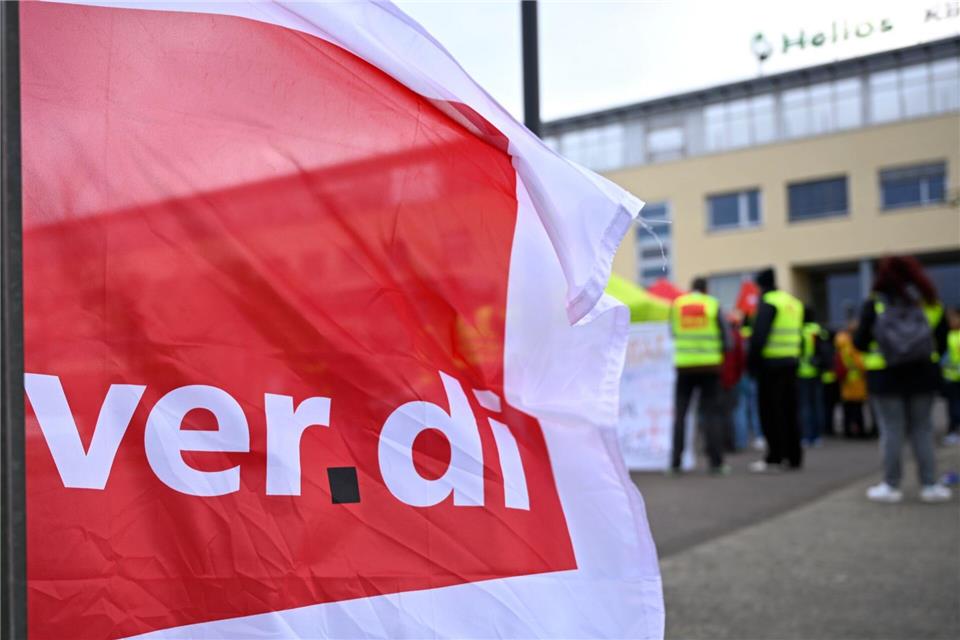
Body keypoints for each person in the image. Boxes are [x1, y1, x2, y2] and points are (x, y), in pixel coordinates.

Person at [853, 255, 951, 503]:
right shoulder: (930, 303)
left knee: (891, 431)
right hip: (922, 375)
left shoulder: (875, 304)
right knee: (922, 429)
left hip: (886, 377)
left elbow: (859, 342)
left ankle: (891, 485)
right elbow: (942, 341)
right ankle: (930, 485)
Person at [669, 277, 730, 474]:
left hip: (684, 367)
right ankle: (716, 463)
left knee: (681, 415)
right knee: (711, 414)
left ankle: (675, 463)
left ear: (691, 288)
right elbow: (728, 340)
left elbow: (672, 332)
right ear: (706, 289)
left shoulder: (678, 305)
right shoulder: (712, 304)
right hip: (709, 367)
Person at [747, 268, 803, 472]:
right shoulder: (793, 302)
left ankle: (775, 456)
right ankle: (795, 457)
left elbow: (759, 336)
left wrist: (752, 364)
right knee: (790, 411)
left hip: (771, 366)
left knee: (771, 412)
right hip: (791, 363)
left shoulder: (769, 301)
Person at [796, 305, 825, 447]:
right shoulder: (818, 330)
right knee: (817, 404)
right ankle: (818, 435)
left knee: (805, 406)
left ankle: (807, 436)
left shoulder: (800, 331)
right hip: (817, 371)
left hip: (802, 372)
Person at [835, 323, 867, 438]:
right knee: (857, 409)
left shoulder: (841, 345)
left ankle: (847, 430)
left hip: (845, 381)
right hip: (856, 381)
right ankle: (860, 431)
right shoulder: (853, 346)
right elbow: (860, 364)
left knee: (847, 409)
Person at [942, 307, 960, 446]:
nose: (951, 321)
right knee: (952, 406)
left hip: (954, 378)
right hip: (950, 378)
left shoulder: (953, 336)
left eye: (954, 318)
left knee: (955, 407)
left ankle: (954, 431)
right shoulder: (949, 335)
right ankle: (953, 430)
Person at [820, 326, 840, 437]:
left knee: (826, 406)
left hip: (825, 379)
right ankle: (829, 428)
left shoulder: (823, 346)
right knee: (830, 406)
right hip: (832, 380)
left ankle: (827, 427)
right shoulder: (833, 348)